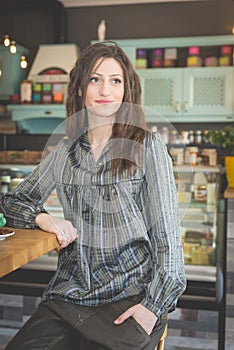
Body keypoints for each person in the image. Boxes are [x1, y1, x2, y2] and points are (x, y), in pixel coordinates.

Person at [0, 41, 186, 350]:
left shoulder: (148, 148)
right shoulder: (65, 152)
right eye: (95, 79)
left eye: (116, 81)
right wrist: (43, 217)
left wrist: (152, 309)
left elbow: (168, 241)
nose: (105, 90)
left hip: (130, 297)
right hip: (70, 296)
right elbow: (12, 203)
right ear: (80, 89)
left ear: (127, 91)